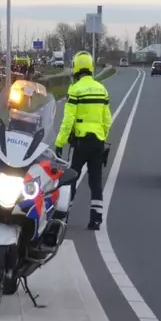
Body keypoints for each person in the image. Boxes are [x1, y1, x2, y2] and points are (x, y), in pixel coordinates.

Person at [54, 51, 112, 231]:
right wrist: (102, 136)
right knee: (95, 182)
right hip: (98, 143)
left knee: (70, 179)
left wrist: (59, 143)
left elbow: (68, 121)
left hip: (80, 142)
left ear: (76, 68)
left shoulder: (75, 89)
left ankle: (62, 216)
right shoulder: (102, 89)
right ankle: (96, 220)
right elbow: (107, 120)